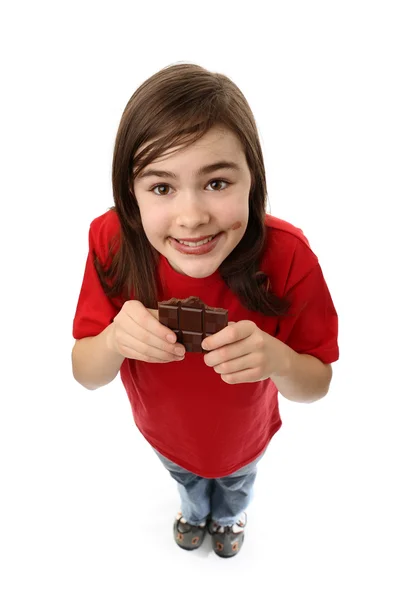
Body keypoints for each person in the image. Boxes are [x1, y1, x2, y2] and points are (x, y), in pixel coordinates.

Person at [71, 62, 339, 559]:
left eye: (217, 183)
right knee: (187, 483)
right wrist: (112, 340)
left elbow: (317, 383)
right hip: (163, 436)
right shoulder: (110, 242)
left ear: (253, 179)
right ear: (130, 193)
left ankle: (231, 514)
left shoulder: (289, 256)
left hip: (244, 443)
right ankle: (195, 511)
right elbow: (85, 373)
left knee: (235, 486)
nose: (192, 217)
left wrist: (279, 359)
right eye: (161, 187)